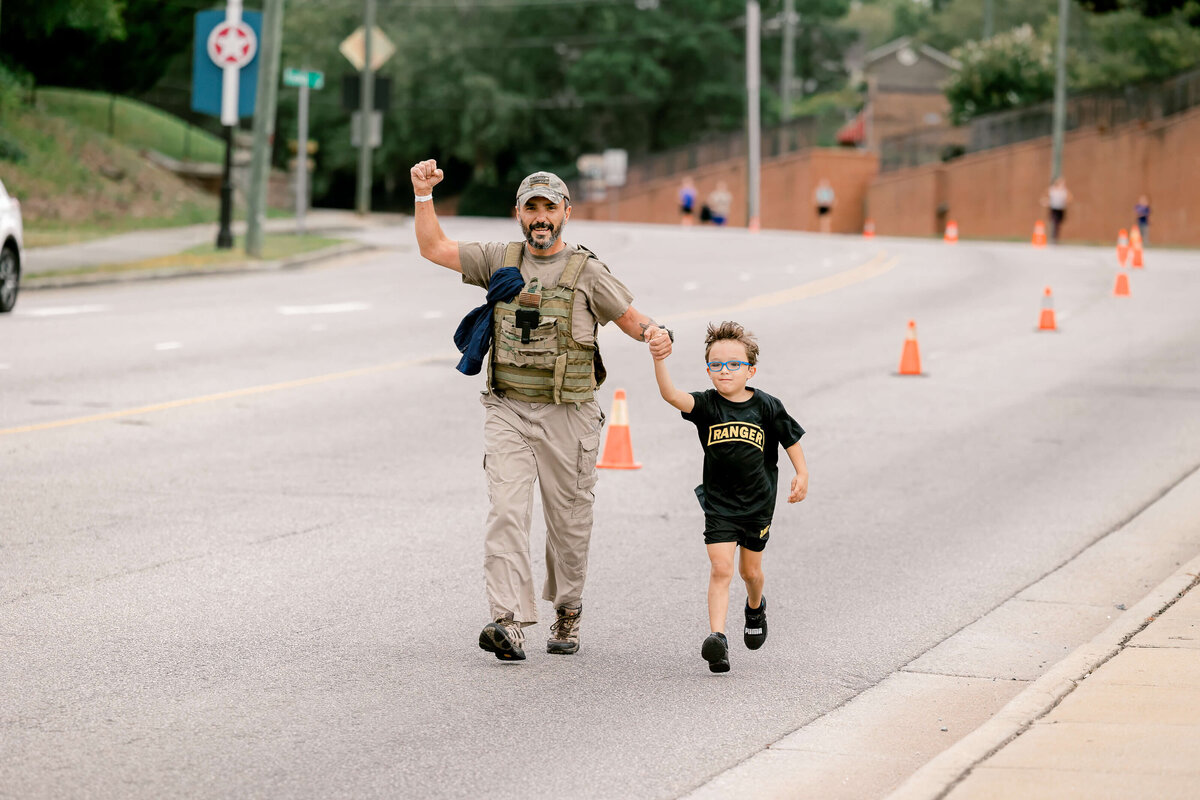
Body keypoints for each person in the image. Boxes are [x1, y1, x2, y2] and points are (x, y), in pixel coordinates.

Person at [410, 160, 674, 662]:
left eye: (549, 207)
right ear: (518, 213)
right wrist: (423, 194)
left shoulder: (587, 271)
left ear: (565, 213)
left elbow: (632, 319)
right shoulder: (497, 257)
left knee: (568, 524)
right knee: (506, 512)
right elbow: (433, 248)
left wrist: (656, 335)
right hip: (508, 408)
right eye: (531, 207)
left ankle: (568, 609)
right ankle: (506, 620)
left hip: (568, 415)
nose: (540, 217)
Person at [650, 321, 808, 673]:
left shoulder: (766, 406)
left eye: (734, 364)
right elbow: (671, 395)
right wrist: (659, 359)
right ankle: (718, 640)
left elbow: (790, 439)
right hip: (720, 505)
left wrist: (802, 473)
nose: (725, 371)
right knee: (721, 569)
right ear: (707, 370)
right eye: (716, 364)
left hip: (757, 505)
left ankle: (755, 606)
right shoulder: (707, 406)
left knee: (750, 572)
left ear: (750, 369)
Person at [1041, 177, 1073, 244]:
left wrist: (1065, 201)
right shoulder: (1052, 190)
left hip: (1060, 208)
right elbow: (1044, 196)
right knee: (1054, 221)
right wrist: (1046, 201)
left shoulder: (1064, 191)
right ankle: (1053, 237)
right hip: (1054, 208)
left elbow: (1070, 198)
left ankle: (1055, 237)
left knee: (1058, 223)